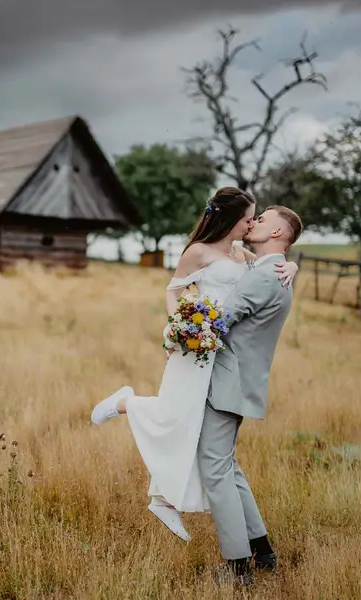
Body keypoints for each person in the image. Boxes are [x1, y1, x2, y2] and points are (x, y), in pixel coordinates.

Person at [90, 187, 299, 544]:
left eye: (257, 219)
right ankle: (126, 406)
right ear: (233, 219)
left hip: (216, 347)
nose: (252, 223)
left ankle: (167, 498)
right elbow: (173, 291)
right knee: (177, 418)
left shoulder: (239, 252)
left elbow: (268, 266)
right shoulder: (198, 252)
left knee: (188, 428)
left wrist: (290, 263)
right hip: (197, 344)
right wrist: (177, 332)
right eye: (250, 217)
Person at [198, 204, 303, 587]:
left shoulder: (266, 276)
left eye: (263, 219)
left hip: (230, 381)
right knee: (228, 466)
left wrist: (184, 325)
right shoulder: (272, 269)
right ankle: (263, 551)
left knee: (215, 468)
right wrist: (293, 263)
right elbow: (242, 258)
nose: (254, 222)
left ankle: (238, 567)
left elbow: (222, 319)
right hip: (239, 382)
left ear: (277, 233)